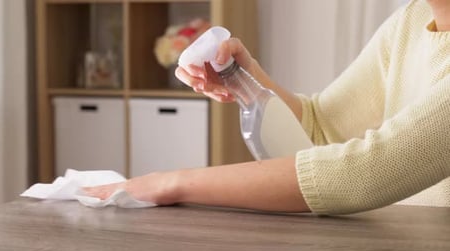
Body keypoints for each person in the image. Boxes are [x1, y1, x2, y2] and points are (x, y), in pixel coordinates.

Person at [84, 0, 450, 215]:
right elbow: (322, 128)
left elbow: (364, 173)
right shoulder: (413, 19)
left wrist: (170, 183)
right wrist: (245, 80)